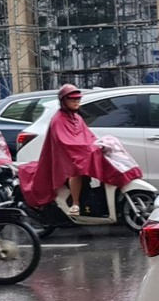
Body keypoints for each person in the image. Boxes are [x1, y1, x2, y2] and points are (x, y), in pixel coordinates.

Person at [18, 83, 102, 216]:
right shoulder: (58, 119)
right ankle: (75, 204)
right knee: (76, 171)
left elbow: (87, 135)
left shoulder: (77, 117)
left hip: (77, 154)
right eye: (72, 99)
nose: (76, 101)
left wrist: (98, 143)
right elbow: (65, 141)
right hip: (64, 157)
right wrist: (83, 148)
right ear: (64, 101)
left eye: (78, 99)